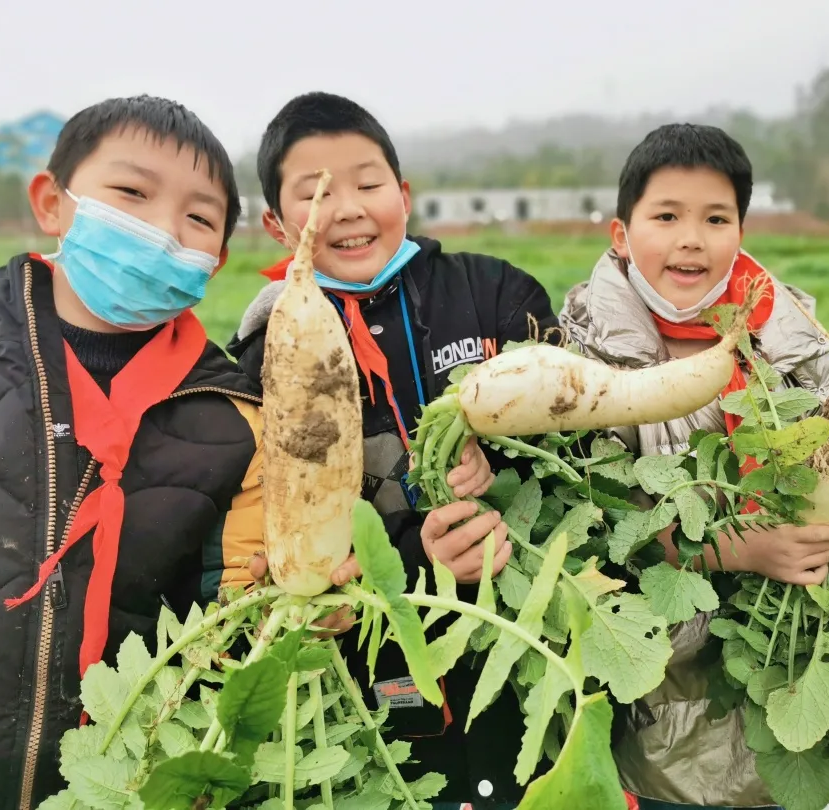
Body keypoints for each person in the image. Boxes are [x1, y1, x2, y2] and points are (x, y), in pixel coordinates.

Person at [226, 91, 559, 809]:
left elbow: (574, 445)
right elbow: (284, 535)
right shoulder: (259, 360)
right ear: (277, 225)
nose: (345, 208)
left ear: (402, 194)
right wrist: (416, 560)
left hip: (515, 649)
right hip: (370, 681)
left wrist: (498, 466)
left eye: (368, 183)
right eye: (315, 193)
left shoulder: (496, 292)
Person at [0, 96, 268, 810]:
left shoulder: (236, 421)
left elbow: (236, 624)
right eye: (131, 194)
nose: (162, 231)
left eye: (198, 219)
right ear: (52, 203)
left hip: (125, 783)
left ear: (214, 262)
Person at [558, 123, 829, 810]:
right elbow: (592, 532)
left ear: (740, 231)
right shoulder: (579, 358)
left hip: (781, 691)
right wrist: (739, 549)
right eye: (666, 216)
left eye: (715, 218)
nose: (691, 238)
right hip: (653, 713)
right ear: (621, 236)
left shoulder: (795, 341)